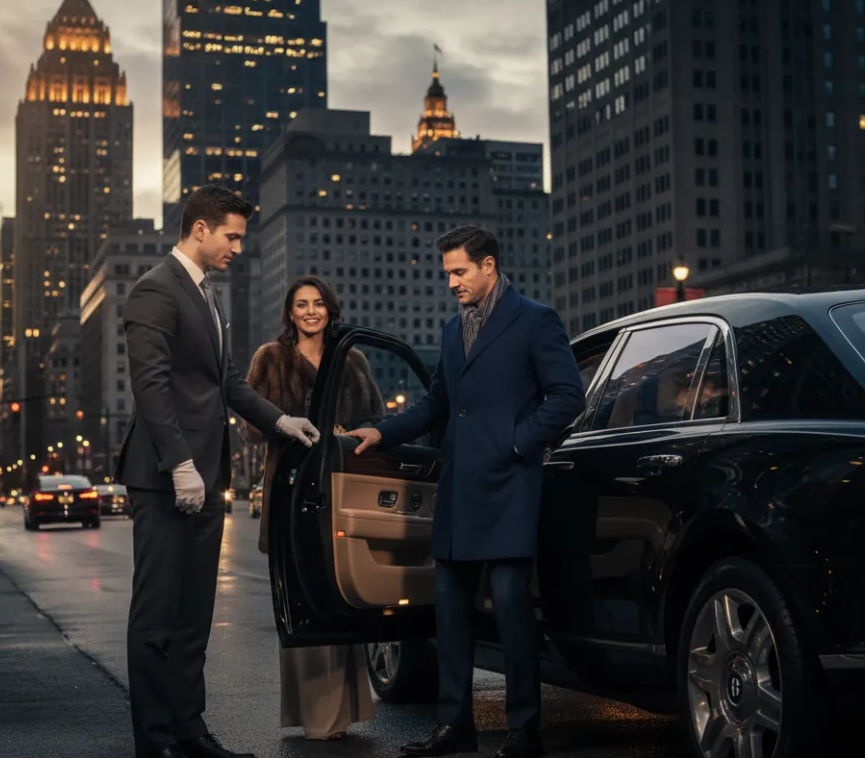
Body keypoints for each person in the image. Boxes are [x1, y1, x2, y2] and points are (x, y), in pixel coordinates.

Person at [347, 226, 586, 758]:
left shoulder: (535, 319)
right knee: (449, 612)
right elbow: (435, 404)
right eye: (447, 273)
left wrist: (518, 443)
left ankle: (525, 730)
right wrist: (382, 431)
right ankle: (455, 727)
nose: (451, 282)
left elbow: (569, 396)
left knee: (509, 606)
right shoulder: (453, 331)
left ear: (489, 267)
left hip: (508, 485)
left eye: (459, 272)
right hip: (458, 489)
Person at [117, 184, 321, 758]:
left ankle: (191, 731)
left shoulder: (208, 295)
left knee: (193, 616)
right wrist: (180, 463)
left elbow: (227, 382)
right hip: (165, 478)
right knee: (157, 615)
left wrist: (283, 421)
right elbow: (151, 387)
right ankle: (154, 742)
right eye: (231, 235)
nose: (238, 246)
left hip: (208, 476)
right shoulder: (155, 289)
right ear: (200, 229)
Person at [246, 275, 384, 741]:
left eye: (318, 303)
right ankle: (315, 715)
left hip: (341, 487)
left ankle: (342, 712)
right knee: (301, 598)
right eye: (301, 304)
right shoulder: (270, 358)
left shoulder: (353, 359)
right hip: (289, 489)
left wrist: (350, 431)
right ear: (289, 312)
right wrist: (286, 427)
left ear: (330, 309)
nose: (310, 311)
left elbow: (375, 422)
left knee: (340, 593)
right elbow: (249, 427)